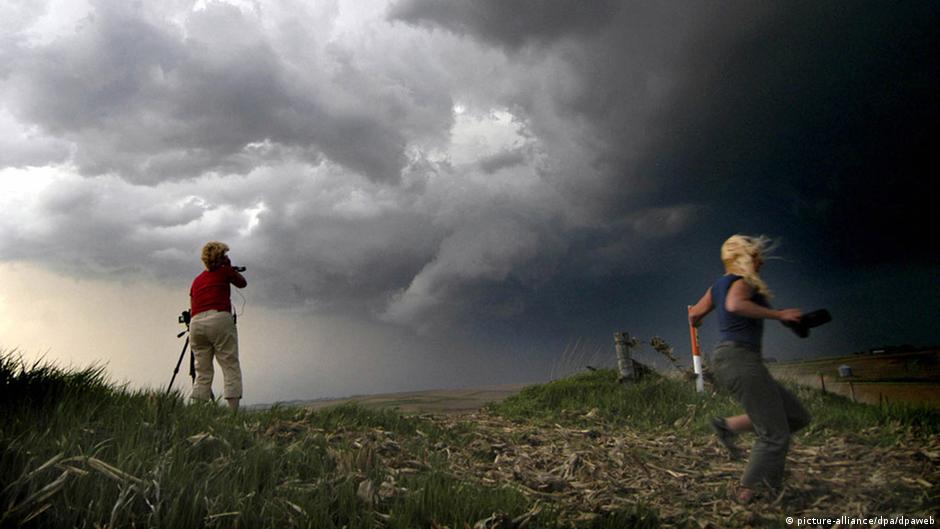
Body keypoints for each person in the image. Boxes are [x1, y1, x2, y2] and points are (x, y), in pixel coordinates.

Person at [688, 234, 811, 504]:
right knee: (775, 434)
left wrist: (700, 322)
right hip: (740, 359)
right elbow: (735, 305)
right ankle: (749, 491)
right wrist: (779, 315)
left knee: (796, 416)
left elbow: (694, 314)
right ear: (744, 258)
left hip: (730, 359)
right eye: (757, 257)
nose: (762, 263)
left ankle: (726, 426)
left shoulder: (717, 286)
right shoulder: (742, 283)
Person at [189, 241, 247, 411]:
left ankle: (198, 411)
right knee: (230, 365)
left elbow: (192, 305)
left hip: (196, 324)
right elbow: (242, 283)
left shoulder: (197, 280)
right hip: (219, 318)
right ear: (221, 257)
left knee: (203, 370)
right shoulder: (224, 271)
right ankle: (233, 413)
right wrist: (228, 267)